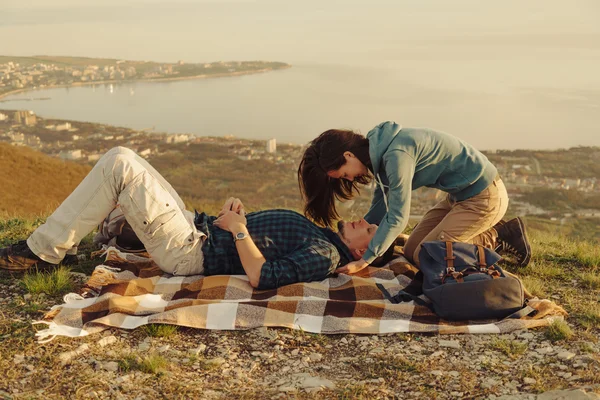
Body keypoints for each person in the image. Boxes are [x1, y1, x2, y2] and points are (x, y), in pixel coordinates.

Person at [0, 147, 386, 290]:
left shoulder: (325, 256)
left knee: (119, 164)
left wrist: (237, 232)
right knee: (129, 159)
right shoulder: (320, 236)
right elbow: (256, 244)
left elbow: (263, 276)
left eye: (368, 229)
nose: (362, 221)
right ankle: (64, 243)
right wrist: (236, 218)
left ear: (364, 248)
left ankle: (41, 252)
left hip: (188, 251)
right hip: (195, 227)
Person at [297, 121, 531, 274]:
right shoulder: (378, 155)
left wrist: (365, 259)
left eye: (345, 174)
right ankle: (478, 232)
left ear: (348, 155)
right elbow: (381, 205)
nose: (349, 179)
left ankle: (498, 235)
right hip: (458, 198)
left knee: (427, 256)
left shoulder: (396, 156)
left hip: (484, 197)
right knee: (410, 251)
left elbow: (398, 215)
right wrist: (359, 236)